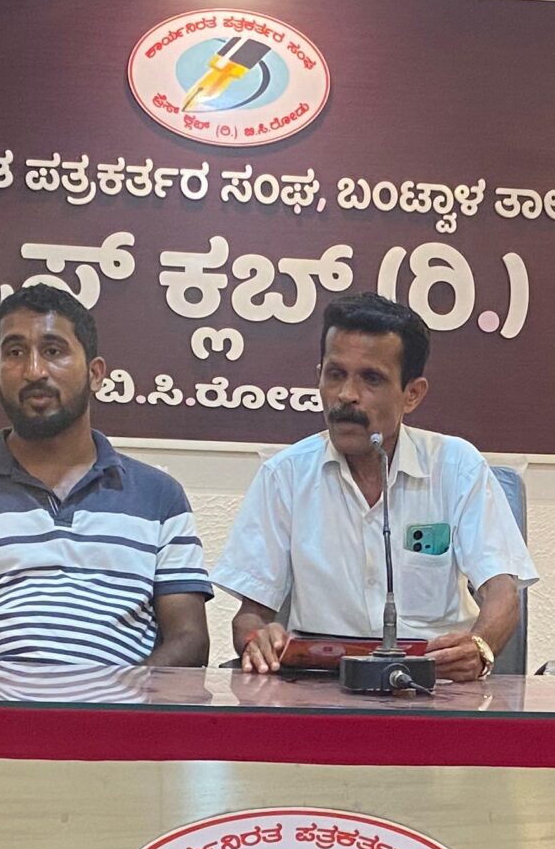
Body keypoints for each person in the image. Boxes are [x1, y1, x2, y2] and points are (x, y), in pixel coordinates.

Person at [0, 284, 212, 667]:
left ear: (95, 374)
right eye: (15, 353)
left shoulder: (159, 496)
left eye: (53, 351)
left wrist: (123, 697)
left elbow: (190, 638)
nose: (34, 371)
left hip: (120, 702)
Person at [213, 293, 535, 684]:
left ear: (412, 394)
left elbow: (502, 591)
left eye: (371, 379)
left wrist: (480, 646)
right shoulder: (285, 475)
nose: (346, 395)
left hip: (435, 682)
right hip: (320, 684)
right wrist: (256, 639)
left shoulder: (456, 466)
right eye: (335, 374)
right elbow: (250, 615)